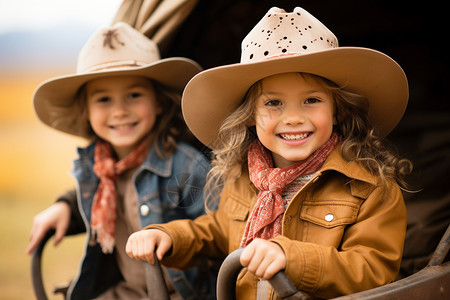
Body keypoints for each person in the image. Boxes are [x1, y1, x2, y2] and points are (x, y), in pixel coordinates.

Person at [125, 6, 414, 299]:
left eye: (311, 100)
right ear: (250, 115)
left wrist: (292, 257)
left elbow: (373, 267)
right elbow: (217, 230)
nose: (292, 118)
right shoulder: (245, 177)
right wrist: (169, 237)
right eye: (274, 103)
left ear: (338, 110)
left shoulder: (368, 186)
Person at [26, 22, 214, 300]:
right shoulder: (98, 167)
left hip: (179, 293)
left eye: (134, 95)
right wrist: (65, 205)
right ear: (86, 111)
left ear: (158, 102)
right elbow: (105, 203)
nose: (120, 111)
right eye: (103, 99)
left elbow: (219, 231)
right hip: (128, 291)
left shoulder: (183, 168)